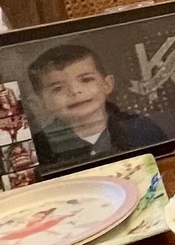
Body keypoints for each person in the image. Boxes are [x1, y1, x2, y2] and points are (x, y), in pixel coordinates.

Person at [27, 41, 165, 166]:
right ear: (41, 102)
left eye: (86, 80)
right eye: (57, 88)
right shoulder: (40, 149)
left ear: (107, 85)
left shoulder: (141, 129)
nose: (75, 91)